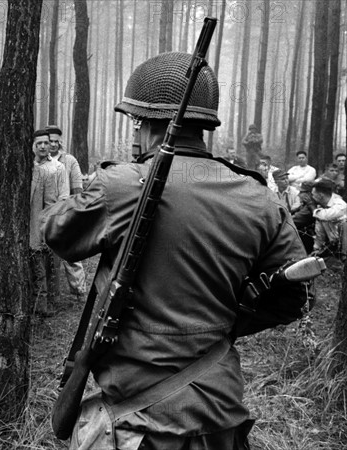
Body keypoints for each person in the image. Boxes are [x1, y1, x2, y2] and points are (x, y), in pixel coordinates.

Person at [43, 52, 308, 449]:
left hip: (138, 428)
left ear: (144, 123)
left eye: (135, 123)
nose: (134, 136)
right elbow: (293, 297)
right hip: (219, 414)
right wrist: (226, 323)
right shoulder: (259, 198)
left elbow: (58, 233)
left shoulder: (123, 185)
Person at [45, 124, 87, 299]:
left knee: (70, 252)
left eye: (56, 141)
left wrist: (76, 211)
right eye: (50, 141)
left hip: (65, 209)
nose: (53, 145)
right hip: (46, 211)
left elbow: (77, 187)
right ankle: (50, 294)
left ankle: (79, 291)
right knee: (46, 253)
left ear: (60, 142)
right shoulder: (39, 159)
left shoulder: (69, 160)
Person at [31, 129, 68, 317]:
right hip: (31, 220)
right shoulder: (29, 166)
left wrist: (57, 218)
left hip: (51, 218)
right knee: (35, 262)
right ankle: (36, 302)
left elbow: (63, 195)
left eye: (46, 143)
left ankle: (51, 302)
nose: (44, 147)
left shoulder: (57, 167)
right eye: (40, 143)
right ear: (33, 146)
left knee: (52, 262)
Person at [311, 178, 347, 256]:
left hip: (344, 245)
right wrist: (316, 248)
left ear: (320, 195)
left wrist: (314, 211)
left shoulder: (340, 204)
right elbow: (319, 232)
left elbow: (327, 215)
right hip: (335, 245)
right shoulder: (321, 208)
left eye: (313, 194)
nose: (312, 197)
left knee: (344, 225)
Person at [292, 181, 316, 254]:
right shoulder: (306, 205)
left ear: (308, 194)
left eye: (301, 192)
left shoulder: (308, 209)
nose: (299, 194)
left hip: (308, 240)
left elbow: (292, 221)